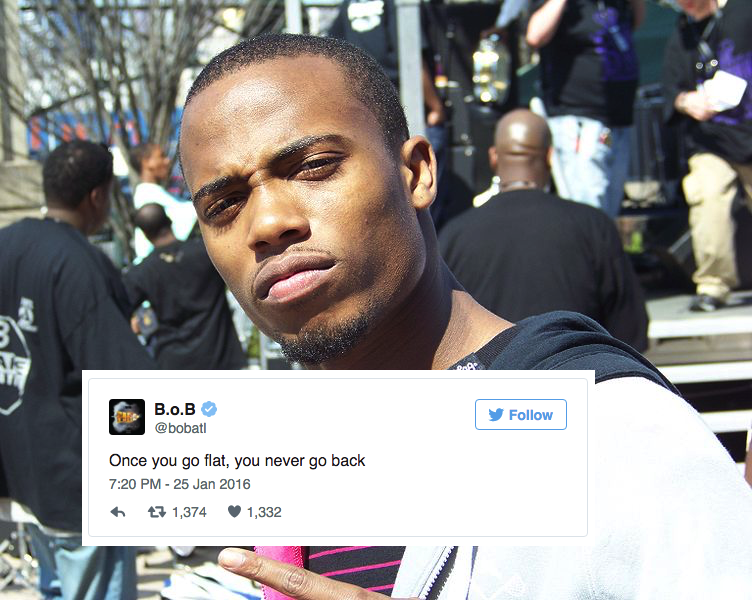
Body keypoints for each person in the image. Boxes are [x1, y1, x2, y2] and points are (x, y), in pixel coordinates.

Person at [178, 33, 752, 597]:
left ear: (417, 174)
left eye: (314, 166)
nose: (267, 224)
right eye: (223, 204)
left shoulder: (615, 437)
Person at [0, 140, 156, 599]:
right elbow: (126, 382)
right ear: (97, 196)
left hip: (18, 475)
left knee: (56, 586)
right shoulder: (81, 263)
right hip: (77, 481)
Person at [439, 109, 649, 351]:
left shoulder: (454, 235)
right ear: (550, 156)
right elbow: (630, 332)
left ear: (494, 157)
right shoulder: (593, 226)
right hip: (574, 371)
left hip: (491, 375)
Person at [662, 0, 752, 312]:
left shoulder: (743, 10)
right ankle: (713, 285)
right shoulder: (683, 31)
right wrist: (686, 102)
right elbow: (671, 89)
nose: (684, 6)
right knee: (707, 193)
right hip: (711, 141)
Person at [327, 0, 449, 225]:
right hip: (405, 105)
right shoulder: (400, 4)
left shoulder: (349, 4)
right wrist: (435, 107)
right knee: (424, 184)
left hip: (365, 111)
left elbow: (331, 50)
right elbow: (412, 55)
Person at [526, 0, 645, 217]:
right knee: (588, 213)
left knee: (608, 214)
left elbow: (636, 22)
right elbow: (535, 35)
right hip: (580, 120)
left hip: (617, 119)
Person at [124, 202, 246, 370]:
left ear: (145, 234)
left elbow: (120, 311)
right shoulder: (207, 253)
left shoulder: (140, 273)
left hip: (173, 362)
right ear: (169, 221)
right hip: (220, 354)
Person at [128, 142, 197, 262]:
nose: (167, 161)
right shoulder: (147, 197)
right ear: (146, 162)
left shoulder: (155, 193)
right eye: (161, 156)